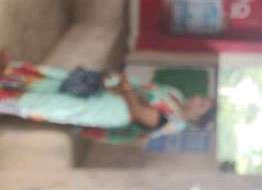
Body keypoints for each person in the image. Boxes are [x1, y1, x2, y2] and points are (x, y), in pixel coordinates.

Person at [0, 50, 213, 136]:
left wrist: (125, 88)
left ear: (196, 119)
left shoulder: (172, 123)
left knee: (49, 105)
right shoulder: (175, 95)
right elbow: (144, 89)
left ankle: (6, 98)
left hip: (106, 110)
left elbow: (138, 113)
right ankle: (8, 74)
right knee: (55, 82)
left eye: (201, 105)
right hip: (109, 91)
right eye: (202, 98)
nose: (197, 99)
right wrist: (114, 81)